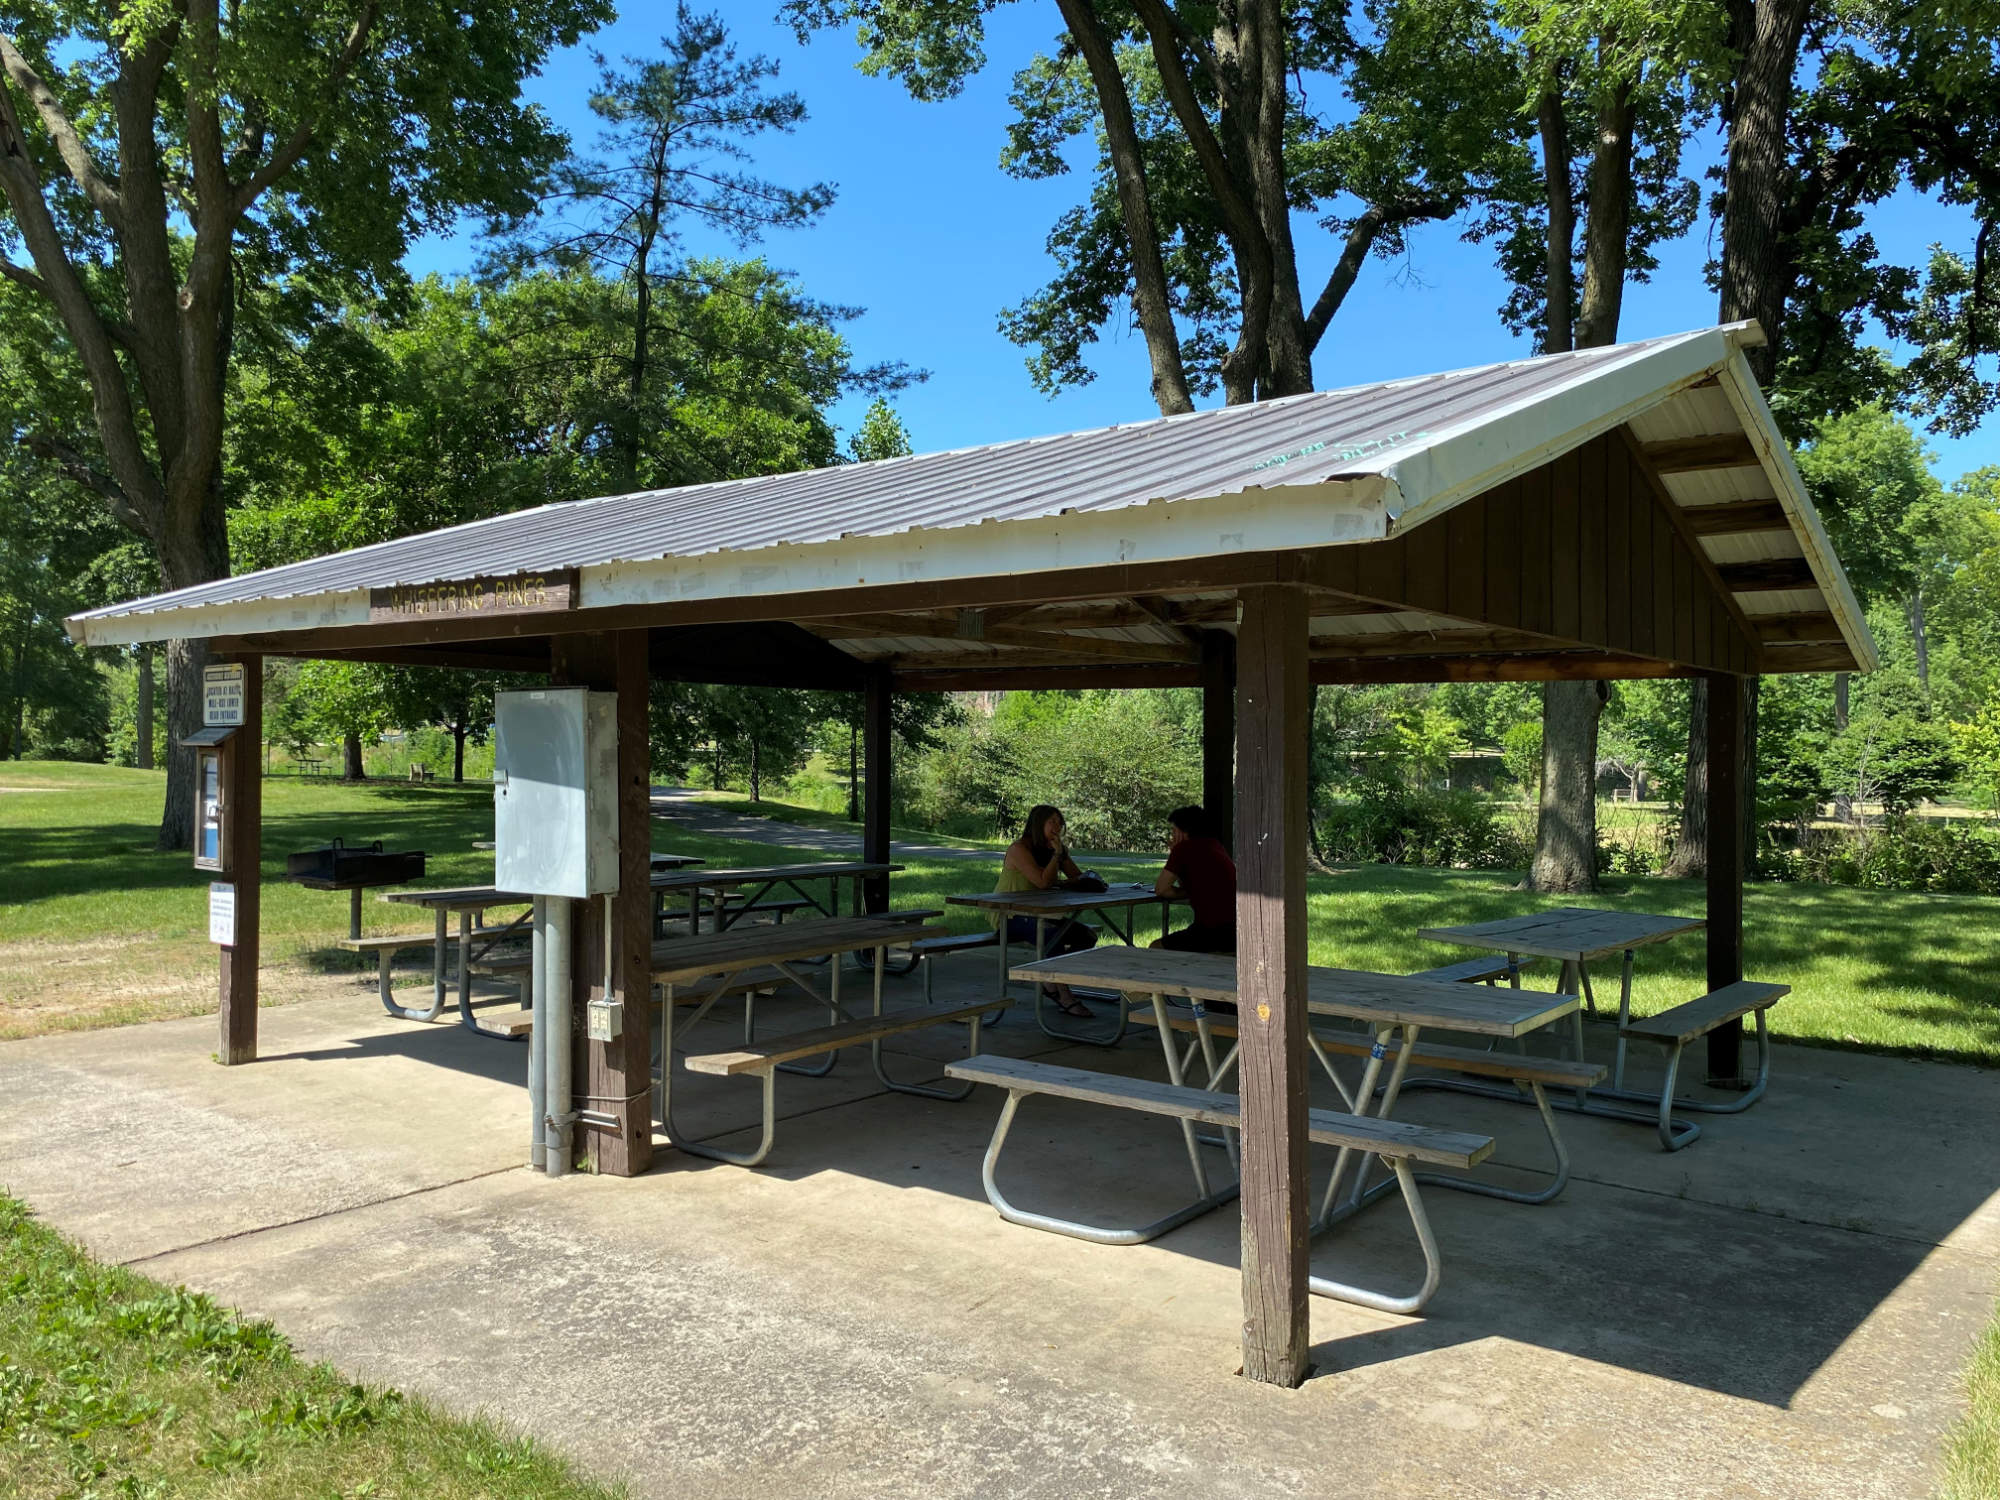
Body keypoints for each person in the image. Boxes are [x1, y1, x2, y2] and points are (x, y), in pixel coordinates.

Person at [996, 804, 1098, 1017]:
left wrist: (1063, 861)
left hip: (1042, 914)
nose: (1057, 827)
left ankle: (1047, 978)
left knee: (1086, 937)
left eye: (1060, 823)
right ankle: (1064, 995)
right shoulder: (1019, 849)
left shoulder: (1054, 849)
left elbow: (1076, 877)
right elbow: (1042, 883)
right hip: (1010, 915)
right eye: (1052, 822)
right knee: (1053, 936)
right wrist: (1056, 858)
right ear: (1038, 823)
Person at [1150, 805, 1236, 954]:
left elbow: (1161, 889)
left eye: (1174, 831)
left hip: (1211, 931)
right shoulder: (1216, 845)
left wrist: (1174, 852)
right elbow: (1193, 884)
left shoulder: (1183, 849)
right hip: (1235, 930)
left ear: (1184, 832)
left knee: (1155, 948)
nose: (1172, 836)